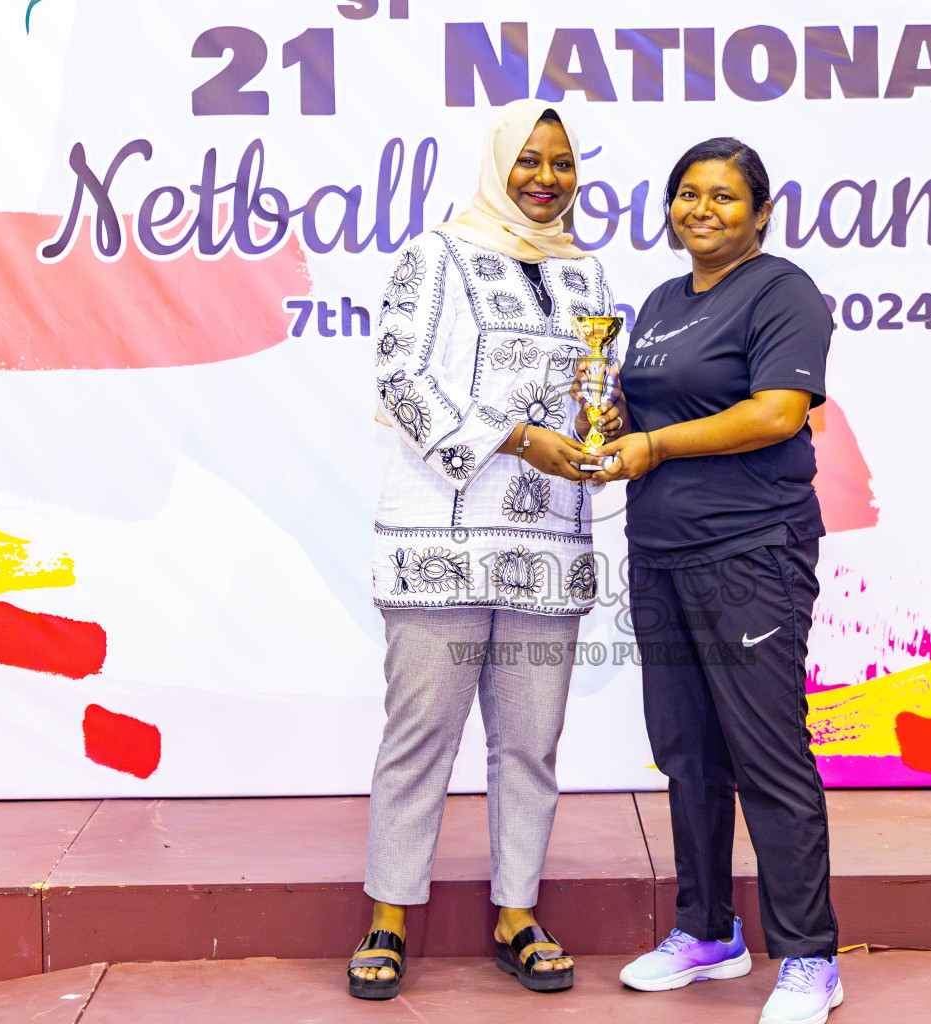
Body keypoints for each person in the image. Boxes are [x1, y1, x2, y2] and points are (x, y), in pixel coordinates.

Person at [350, 99, 614, 1001]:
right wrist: (511, 439)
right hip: (441, 538)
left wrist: (603, 421)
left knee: (531, 741)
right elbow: (401, 381)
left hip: (549, 539)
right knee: (421, 734)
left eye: (562, 163)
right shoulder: (436, 254)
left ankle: (516, 912)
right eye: (529, 160)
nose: (546, 178)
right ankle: (388, 915)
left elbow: (587, 387)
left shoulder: (587, 277)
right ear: (497, 161)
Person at [591, 138, 842, 1024]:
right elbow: (651, 406)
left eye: (725, 197)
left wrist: (654, 444)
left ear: (761, 212)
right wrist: (616, 419)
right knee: (688, 752)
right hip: (660, 552)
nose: (703, 210)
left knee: (766, 754)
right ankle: (707, 932)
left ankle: (810, 956)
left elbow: (774, 412)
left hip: (751, 555)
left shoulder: (782, 293)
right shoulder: (660, 302)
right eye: (687, 195)